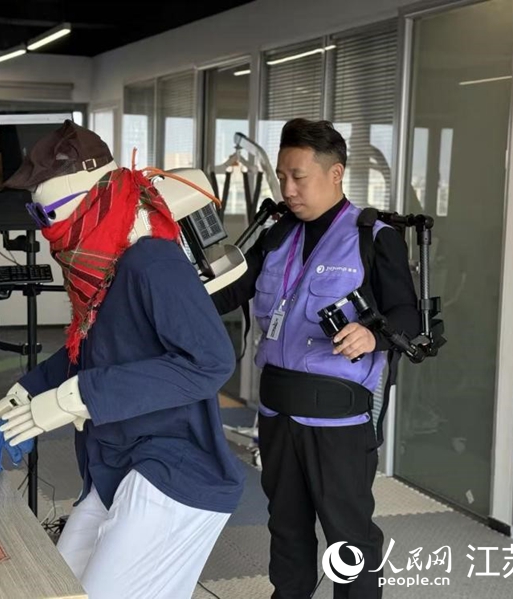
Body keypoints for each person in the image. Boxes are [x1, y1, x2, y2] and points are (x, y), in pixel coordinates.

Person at [0, 120, 245, 599]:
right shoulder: (103, 264)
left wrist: (75, 398)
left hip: (172, 467)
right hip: (116, 460)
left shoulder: (151, 262)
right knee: (58, 588)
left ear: (85, 199)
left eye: (46, 216)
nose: (46, 232)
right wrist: (30, 390)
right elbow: (95, 346)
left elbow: (211, 362)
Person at [212, 118, 421, 599]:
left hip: (337, 417)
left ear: (335, 173)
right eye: (281, 176)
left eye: (298, 177)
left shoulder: (373, 236)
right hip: (276, 409)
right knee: (285, 527)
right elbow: (231, 292)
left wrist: (371, 336)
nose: (287, 189)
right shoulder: (277, 236)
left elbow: (406, 315)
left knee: (348, 535)